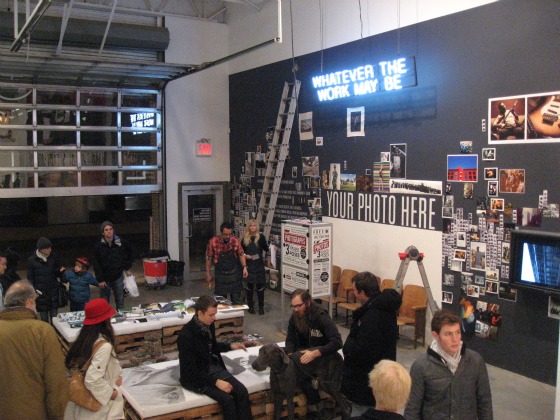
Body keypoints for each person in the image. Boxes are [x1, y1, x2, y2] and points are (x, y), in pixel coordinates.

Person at [404, 309, 493, 420]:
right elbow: (412, 408)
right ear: (436, 335)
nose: (455, 339)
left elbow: (484, 402)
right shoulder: (421, 366)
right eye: (448, 334)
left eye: (458, 332)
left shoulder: (475, 361)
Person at [0, 280, 69, 419]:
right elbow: (55, 382)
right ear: (28, 302)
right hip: (35, 412)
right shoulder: (42, 331)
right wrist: (57, 415)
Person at [177, 295, 252, 420]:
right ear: (200, 313)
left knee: (241, 391)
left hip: (211, 367)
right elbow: (190, 371)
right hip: (196, 378)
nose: (214, 318)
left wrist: (230, 346)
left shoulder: (208, 324)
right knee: (227, 399)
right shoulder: (186, 336)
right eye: (211, 315)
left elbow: (211, 347)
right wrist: (215, 382)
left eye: (215, 314)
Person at [342, 272, 402, 416]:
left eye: (355, 291)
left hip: (365, 383)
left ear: (362, 292)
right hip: (382, 377)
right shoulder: (386, 308)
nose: (354, 294)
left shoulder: (370, 316)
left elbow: (361, 351)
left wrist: (348, 346)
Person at [64, 298, 124, 419]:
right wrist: (113, 394)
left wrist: (114, 376)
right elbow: (92, 379)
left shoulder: (83, 341)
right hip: (98, 411)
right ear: (105, 320)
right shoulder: (104, 346)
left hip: (80, 406)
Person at [285, 288, 343, 413]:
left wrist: (316, 352)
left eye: (298, 306)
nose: (295, 309)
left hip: (324, 358)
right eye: (293, 306)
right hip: (306, 357)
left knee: (304, 378)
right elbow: (290, 339)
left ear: (308, 302)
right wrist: (290, 354)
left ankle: (329, 407)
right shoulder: (295, 317)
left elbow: (337, 342)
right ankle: (316, 407)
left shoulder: (321, 317)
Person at [93, 221, 134, 310]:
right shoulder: (98, 246)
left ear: (113, 230)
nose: (109, 231)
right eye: (106, 230)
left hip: (118, 277)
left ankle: (121, 321)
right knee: (104, 303)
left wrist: (126, 265)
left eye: (111, 229)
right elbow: (96, 263)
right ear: (103, 232)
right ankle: (105, 322)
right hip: (104, 279)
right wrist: (100, 279)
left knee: (120, 302)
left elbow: (131, 253)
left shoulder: (121, 243)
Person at [205, 221, 248, 304]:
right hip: (220, 274)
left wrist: (244, 267)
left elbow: (241, 254)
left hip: (234, 273)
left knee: (236, 300)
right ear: (221, 232)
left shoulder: (235, 240)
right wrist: (208, 273)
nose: (228, 236)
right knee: (221, 302)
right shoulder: (213, 241)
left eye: (229, 234)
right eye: (225, 234)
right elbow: (208, 258)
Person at [27, 236, 65, 322]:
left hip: (53, 291)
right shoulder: (32, 260)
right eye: (47, 248)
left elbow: (57, 272)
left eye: (50, 247)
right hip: (40, 293)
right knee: (44, 318)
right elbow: (30, 278)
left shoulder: (53, 257)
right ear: (41, 249)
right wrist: (33, 291)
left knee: (55, 319)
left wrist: (60, 272)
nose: (50, 250)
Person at [241, 219, 270, 314]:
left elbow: (266, 249)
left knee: (260, 287)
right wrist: (246, 256)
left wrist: (268, 247)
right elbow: (241, 252)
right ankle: (250, 307)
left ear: (256, 226)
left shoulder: (261, 237)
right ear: (248, 227)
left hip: (258, 266)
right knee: (249, 288)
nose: (252, 227)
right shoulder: (245, 238)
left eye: (254, 225)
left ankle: (261, 307)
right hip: (249, 266)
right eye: (250, 226)